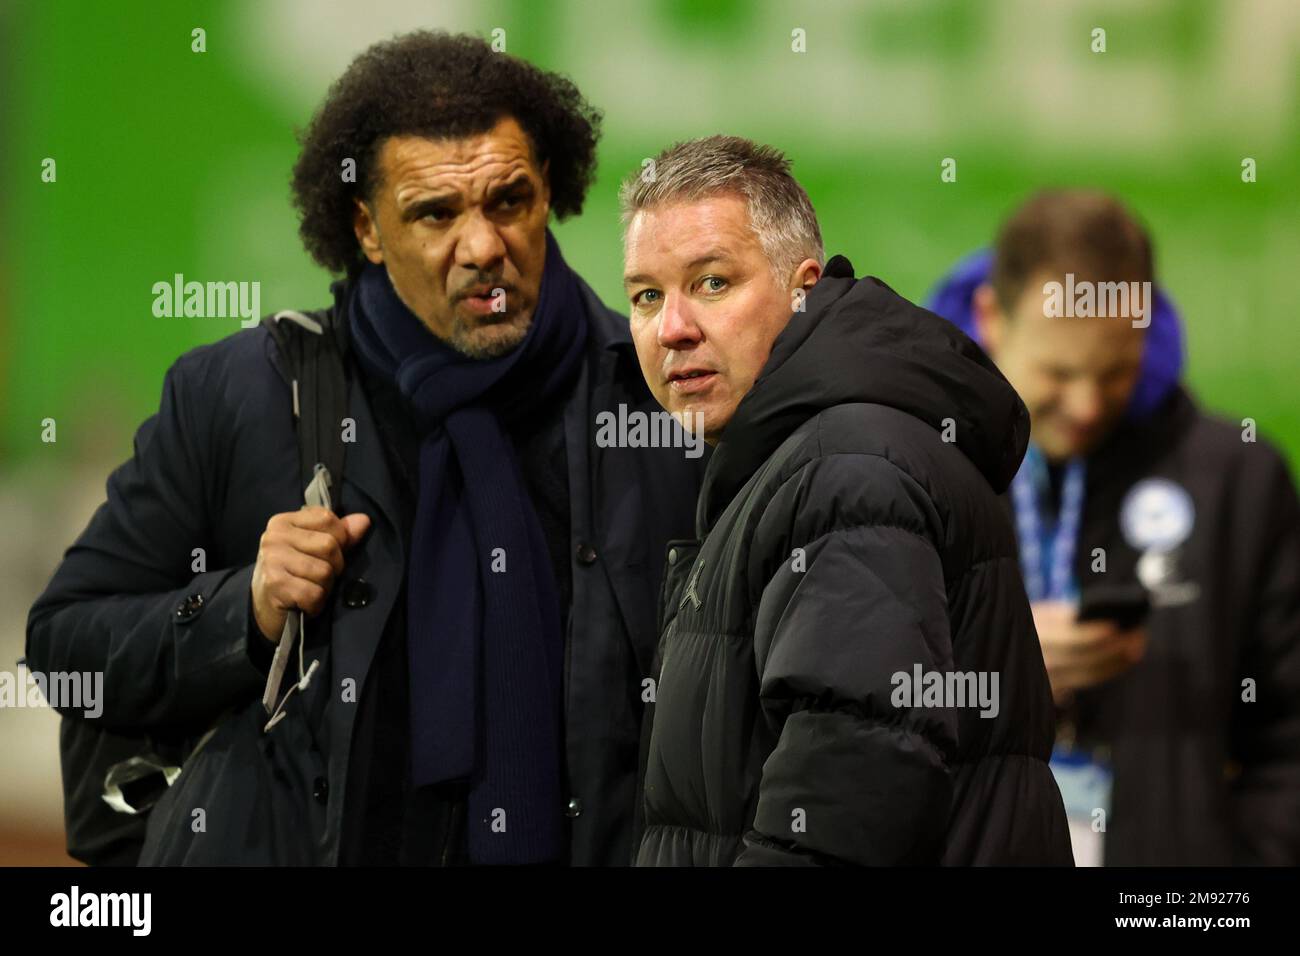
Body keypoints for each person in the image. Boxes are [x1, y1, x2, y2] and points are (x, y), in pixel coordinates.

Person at [26, 30, 701, 867]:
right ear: (366, 228)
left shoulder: (659, 404)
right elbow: (65, 647)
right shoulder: (241, 397)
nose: (484, 244)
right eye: (436, 213)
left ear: (549, 190)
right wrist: (248, 607)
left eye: (508, 200)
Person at [620, 135, 1072, 865]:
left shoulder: (848, 467)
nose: (672, 328)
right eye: (646, 296)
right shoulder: (810, 453)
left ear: (801, 288)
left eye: (711, 283)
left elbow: (850, 784)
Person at [926, 188, 1300, 865]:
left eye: (1116, 372)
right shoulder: (911, 468)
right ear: (990, 319)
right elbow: (843, 712)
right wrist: (993, 664)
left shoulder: (1239, 482)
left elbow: (1287, 735)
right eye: (1058, 373)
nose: (1086, 404)